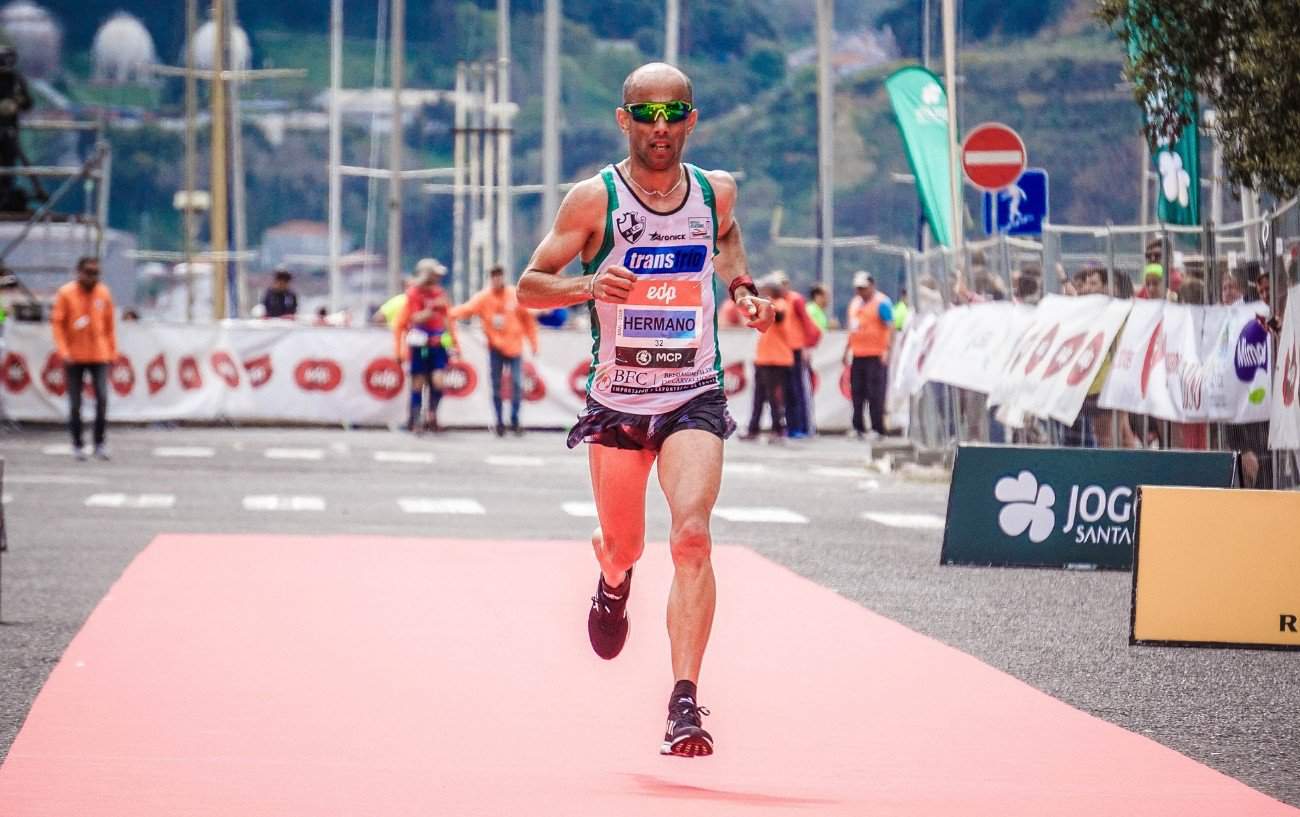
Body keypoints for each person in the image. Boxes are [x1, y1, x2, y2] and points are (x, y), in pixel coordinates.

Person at [516, 62, 775, 758]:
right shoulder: (592, 200)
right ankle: (613, 577)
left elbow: (726, 239)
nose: (660, 129)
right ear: (624, 119)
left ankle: (683, 700)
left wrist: (744, 290)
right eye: (646, 115)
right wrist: (587, 285)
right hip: (619, 401)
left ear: (691, 120)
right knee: (627, 541)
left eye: (674, 115)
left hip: (692, 391)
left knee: (692, 537)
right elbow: (528, 286)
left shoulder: (715, 192)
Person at [451, 264, 539, 436]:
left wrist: (534, 343)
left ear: (503, 277)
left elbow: (528, 321)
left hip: (515, 348)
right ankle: (499, 421)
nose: (497, 279)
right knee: (497, 386)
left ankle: (514, 420)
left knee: (517, 384)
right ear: (490, 279)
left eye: (499, 276)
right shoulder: (484, 298)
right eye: (494, 276)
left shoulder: (514, 295)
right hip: (495, 349)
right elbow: (466, 310)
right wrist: (448, 313)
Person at [51, 257, 117, 461]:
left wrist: (112, 352)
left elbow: (109, 326)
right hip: (74, 356)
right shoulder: (66, 293)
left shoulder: (103, 293)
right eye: (88, 272)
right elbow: (58, 324)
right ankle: (78, 443)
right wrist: (64, 352)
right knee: (75, 403)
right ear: (79, 272)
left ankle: (99, 442)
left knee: (103, 399)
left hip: (99, 354)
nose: (92, 277)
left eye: (96, 273)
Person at [394, 258, 459, 432]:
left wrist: (453, 344)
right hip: (419, 344)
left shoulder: (440, 293)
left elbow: (447, 319)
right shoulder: (414, 293)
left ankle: (432, 415)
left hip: (437, 344)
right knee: (418, 382)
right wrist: (430, 309)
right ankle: (414, 420)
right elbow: (414, 318)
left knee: (438, 381)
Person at [742, 276, 792, 441]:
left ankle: (778, 429)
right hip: (764, 358)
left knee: (774, 397)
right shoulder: (770, 305)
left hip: (776, 359)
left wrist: (764, 303)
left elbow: (779, 316)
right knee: (758, 397)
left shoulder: (781, 305)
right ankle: (753, 429)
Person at [844, 271, 892, 440]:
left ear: (872, 286)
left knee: (875, 393)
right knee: (857, 392)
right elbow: (852, 329)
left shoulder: (882, 302)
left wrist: (887, 350)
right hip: (858, 354)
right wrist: (846, 350)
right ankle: (858, 426)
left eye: (863, 288)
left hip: (876, 354)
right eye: (858, 288)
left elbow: (889, 327)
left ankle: (878, 428)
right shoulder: (854, 304)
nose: (860, 292)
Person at [772, 270, 820, 438]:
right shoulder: (775, 302)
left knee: (798, 390)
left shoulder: (795, 300)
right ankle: (791, 426)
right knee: (787, 392)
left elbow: (808, 324)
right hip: (783, 352)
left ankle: (803, 426)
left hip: (797, 350)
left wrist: (808, 345)